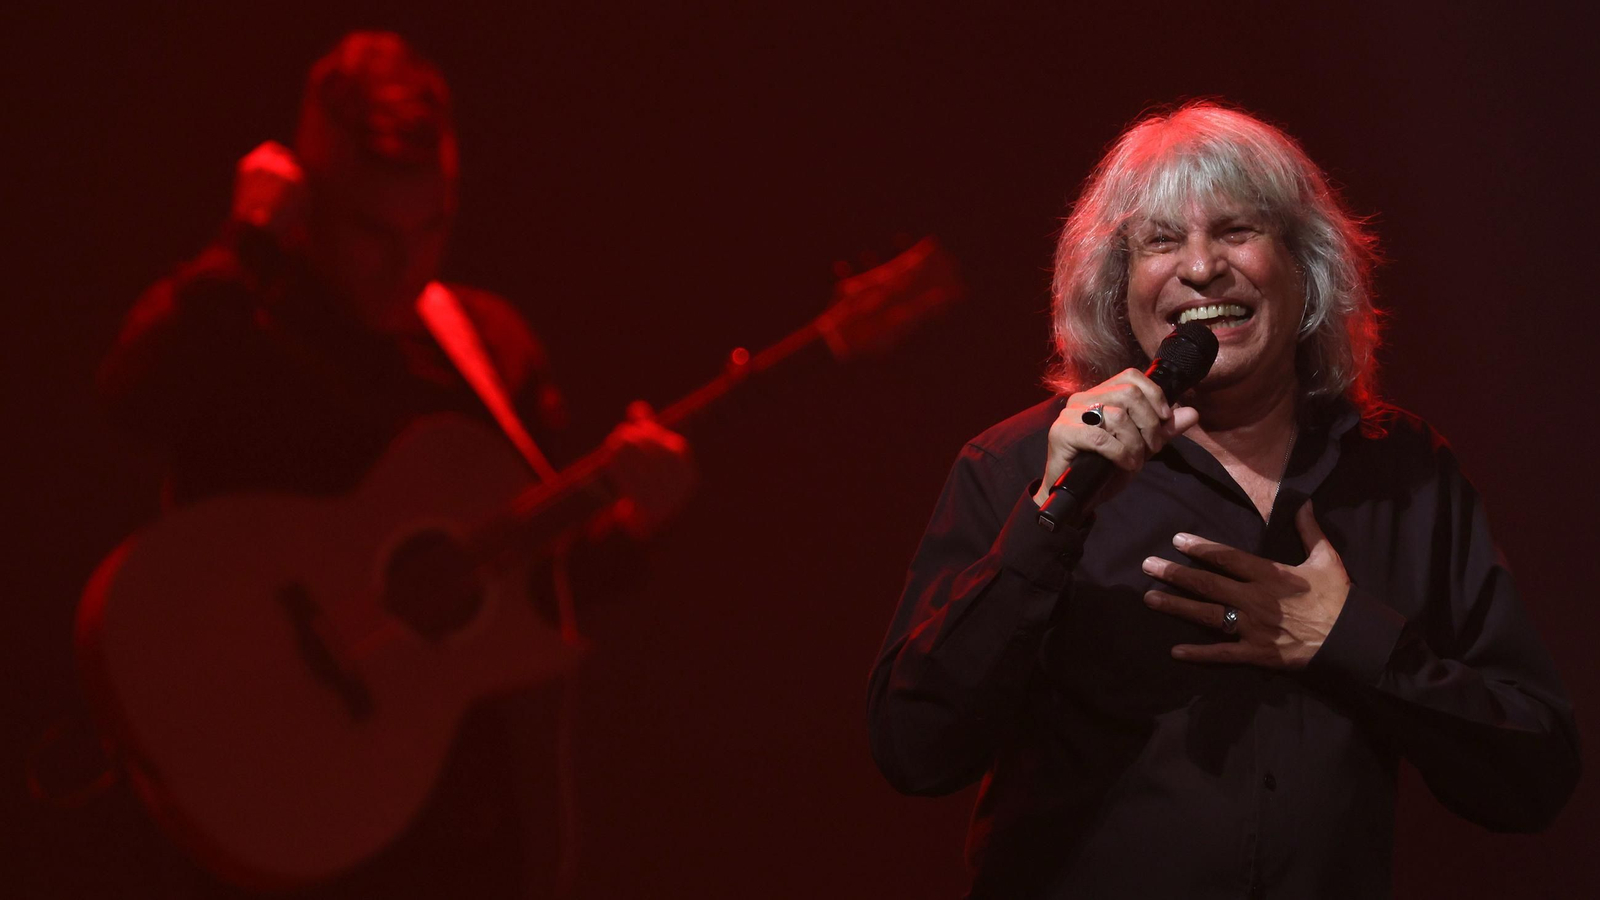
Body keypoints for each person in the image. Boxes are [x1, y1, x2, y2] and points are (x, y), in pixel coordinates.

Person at [866, 101, 1578, 899]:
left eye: (1237, 231)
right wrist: (1051, 514)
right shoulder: (1017, 465)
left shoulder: (1402, 472)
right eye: (1163, 241)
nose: (1201, 269)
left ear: (1305, 267)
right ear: (1118, 285)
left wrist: (1351, 640)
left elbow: (1533, 774)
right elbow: (915, 749)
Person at [96, 32, 693, 898]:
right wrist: (249, 237)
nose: (405, 262)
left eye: (433, 224)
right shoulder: (243, 318)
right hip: (251, 810)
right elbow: (130, 397)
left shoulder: (486, 352)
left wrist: (637, 526)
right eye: (371, 229)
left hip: (438, 828)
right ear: (309, 197)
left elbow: (528, 599)